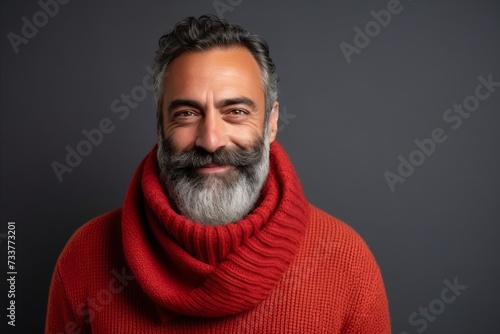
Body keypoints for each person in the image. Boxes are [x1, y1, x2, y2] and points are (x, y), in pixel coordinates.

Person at [45, 15, 391, 333]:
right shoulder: (85, 257)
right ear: (160, 126)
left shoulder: (348, 264)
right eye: (186, 113)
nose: (210, 140)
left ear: (271, 123)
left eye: (236, 111)